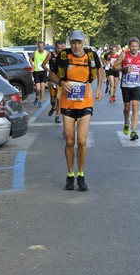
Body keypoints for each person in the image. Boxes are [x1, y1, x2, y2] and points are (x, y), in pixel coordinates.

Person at [49, 30, 104, 191]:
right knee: (69, 141)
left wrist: (99, 87)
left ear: (83, 42)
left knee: (81, 141)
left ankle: (81, 173)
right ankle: (70, 174)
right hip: (67, 103)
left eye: (79, 42)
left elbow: (100, 70)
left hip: (85, 101)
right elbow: (52, 73)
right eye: (73, 42)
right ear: (70, 42)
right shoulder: (64, 56)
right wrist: (60, 82)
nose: (76, 45)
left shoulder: (91, 56)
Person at [113, 37, 140, 141]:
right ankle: (126, 121)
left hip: (137, 85)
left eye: (136, 46)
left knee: (135, 106)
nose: (134, 48)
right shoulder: (124, 55)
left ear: (139, 47)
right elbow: (114, 66)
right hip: (126, 85)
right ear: (129, 46)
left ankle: (133, 131)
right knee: (127, 108)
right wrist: (124, 69)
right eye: (132, 46)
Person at [43, 40, 65, 123]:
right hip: (52, 79)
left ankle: (57, 116)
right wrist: (49, 70)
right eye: (58, 48)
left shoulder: (63, 55)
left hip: (60, 79)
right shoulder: (50, 54)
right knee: (53, 100)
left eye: (61, 48)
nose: (59, 50)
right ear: (55, 47)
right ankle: (53, 107)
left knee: (59, 98)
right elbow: (43, 64)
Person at [30, 41, 49, 107]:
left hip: (43, 71)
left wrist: (48, 65)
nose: (41, 48)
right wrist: (32, 65)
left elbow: (49, 60)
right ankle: (37, 97)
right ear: (38, 47)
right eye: (39, 47)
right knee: (38, 88)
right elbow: (30, 59)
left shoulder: (46, 53)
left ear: (44, 46)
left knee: (42, 87)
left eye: (42, 47)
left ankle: (40, 101)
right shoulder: (35, 53)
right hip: (36, 71)